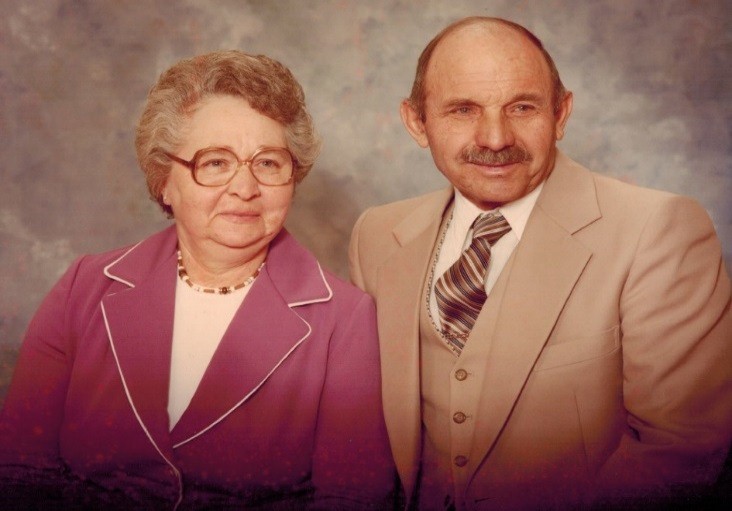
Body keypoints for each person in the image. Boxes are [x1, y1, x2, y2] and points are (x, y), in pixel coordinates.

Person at [348, 16, 731, 511]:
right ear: (417, 122)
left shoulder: (658, 229)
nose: (493, 138)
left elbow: (682, 450)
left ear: (561, 113)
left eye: (522, 107)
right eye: (463, 110)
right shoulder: (376, 236)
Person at [0, 50, 395, 510]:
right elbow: (20, 472)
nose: (245, 188)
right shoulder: (82, 290)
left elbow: (351, 500)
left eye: (268, 163)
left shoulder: (344, 320)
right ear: (165, 179)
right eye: (214, 162)